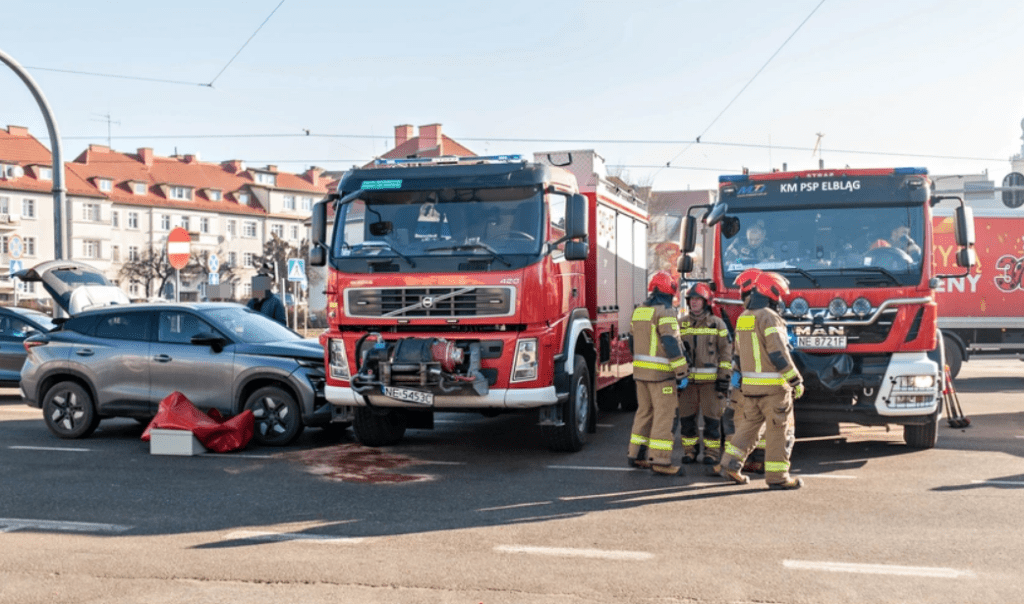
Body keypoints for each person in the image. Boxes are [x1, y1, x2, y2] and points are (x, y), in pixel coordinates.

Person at [714, 271, 805, 490]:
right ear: (772, 293)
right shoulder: (770, 317)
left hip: (750, 388)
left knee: (748, 428)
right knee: (779, 432)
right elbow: (778, 353)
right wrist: (795, 380)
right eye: (779, 295)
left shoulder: (744, 317)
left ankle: (729, 465)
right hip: (774, 388)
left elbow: (737, 355)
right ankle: (778, 477)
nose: (780, 300)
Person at [627, 271, 690, 476]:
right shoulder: (666, 312)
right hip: (661, 376)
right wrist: (681, 371)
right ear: (670, 291)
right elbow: (670, 342)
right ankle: (660, 461)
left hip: (641, 374)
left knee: (644, 413)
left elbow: (631, 342)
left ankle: (636, 455)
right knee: (665, 416)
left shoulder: (639, 311)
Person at [677, 283, 732, 465]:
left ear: (706, 302)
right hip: (687, 384)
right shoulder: (681, 323)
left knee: (712, 422)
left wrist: (724, 378)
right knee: (687, 421)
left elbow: (726, 353)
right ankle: (690, 452)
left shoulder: (717, 324)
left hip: (711, 384)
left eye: (698, 299)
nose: (694, 302)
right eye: (691, 299)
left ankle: (712, 454)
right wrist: (677, 376)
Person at [721, 269, 766, 473]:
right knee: (746, 420)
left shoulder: (748, 317)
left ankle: (746, 460)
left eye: (744, 292)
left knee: (746, 420)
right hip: (757, 380)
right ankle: (752, 460)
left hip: (753, 380)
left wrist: (738, 373)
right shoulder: (762, 316)